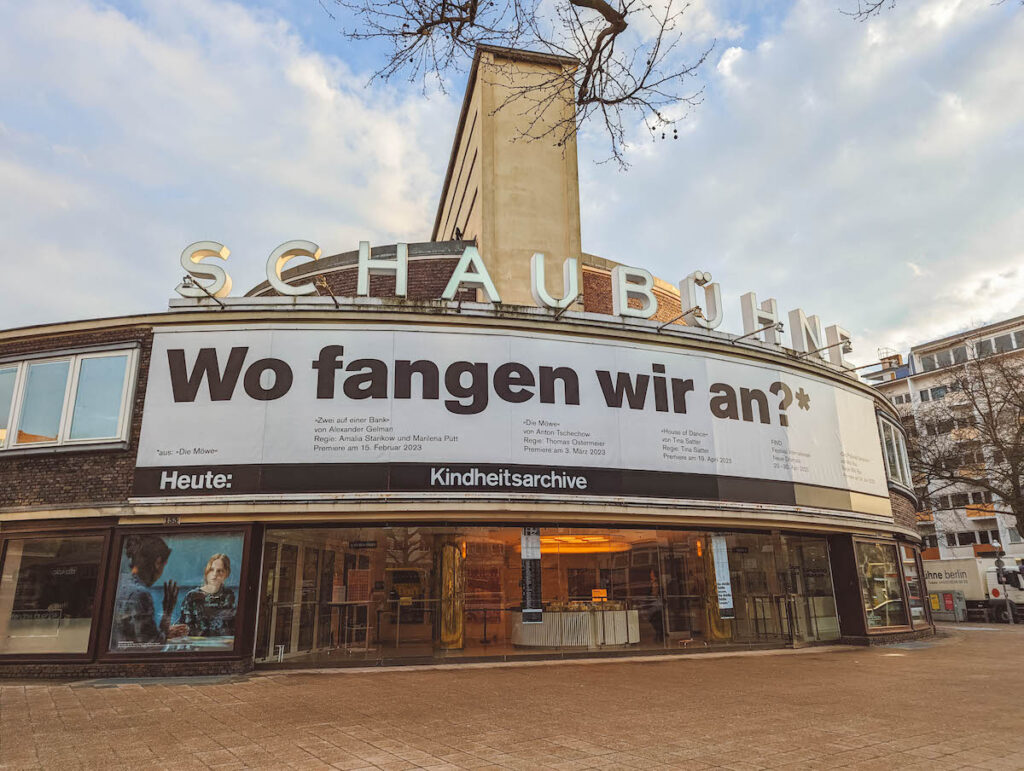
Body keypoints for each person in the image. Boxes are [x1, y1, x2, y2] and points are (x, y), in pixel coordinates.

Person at [111, 535, 188, 649]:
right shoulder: (140, 594)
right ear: (158, 563)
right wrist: (168, 612)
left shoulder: (119, 583)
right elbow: (153, 646)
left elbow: (137, 638)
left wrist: (164, 632)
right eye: (164, 564)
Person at [177, 554, 236, 637]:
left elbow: (232, 625)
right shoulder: (193, 596)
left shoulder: (229, 595)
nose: (215, 574)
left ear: (226, 574)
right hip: (197, 644)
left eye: (220, 571)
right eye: (212, 570)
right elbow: (186, 627)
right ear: (207, 571)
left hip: (223, 644)